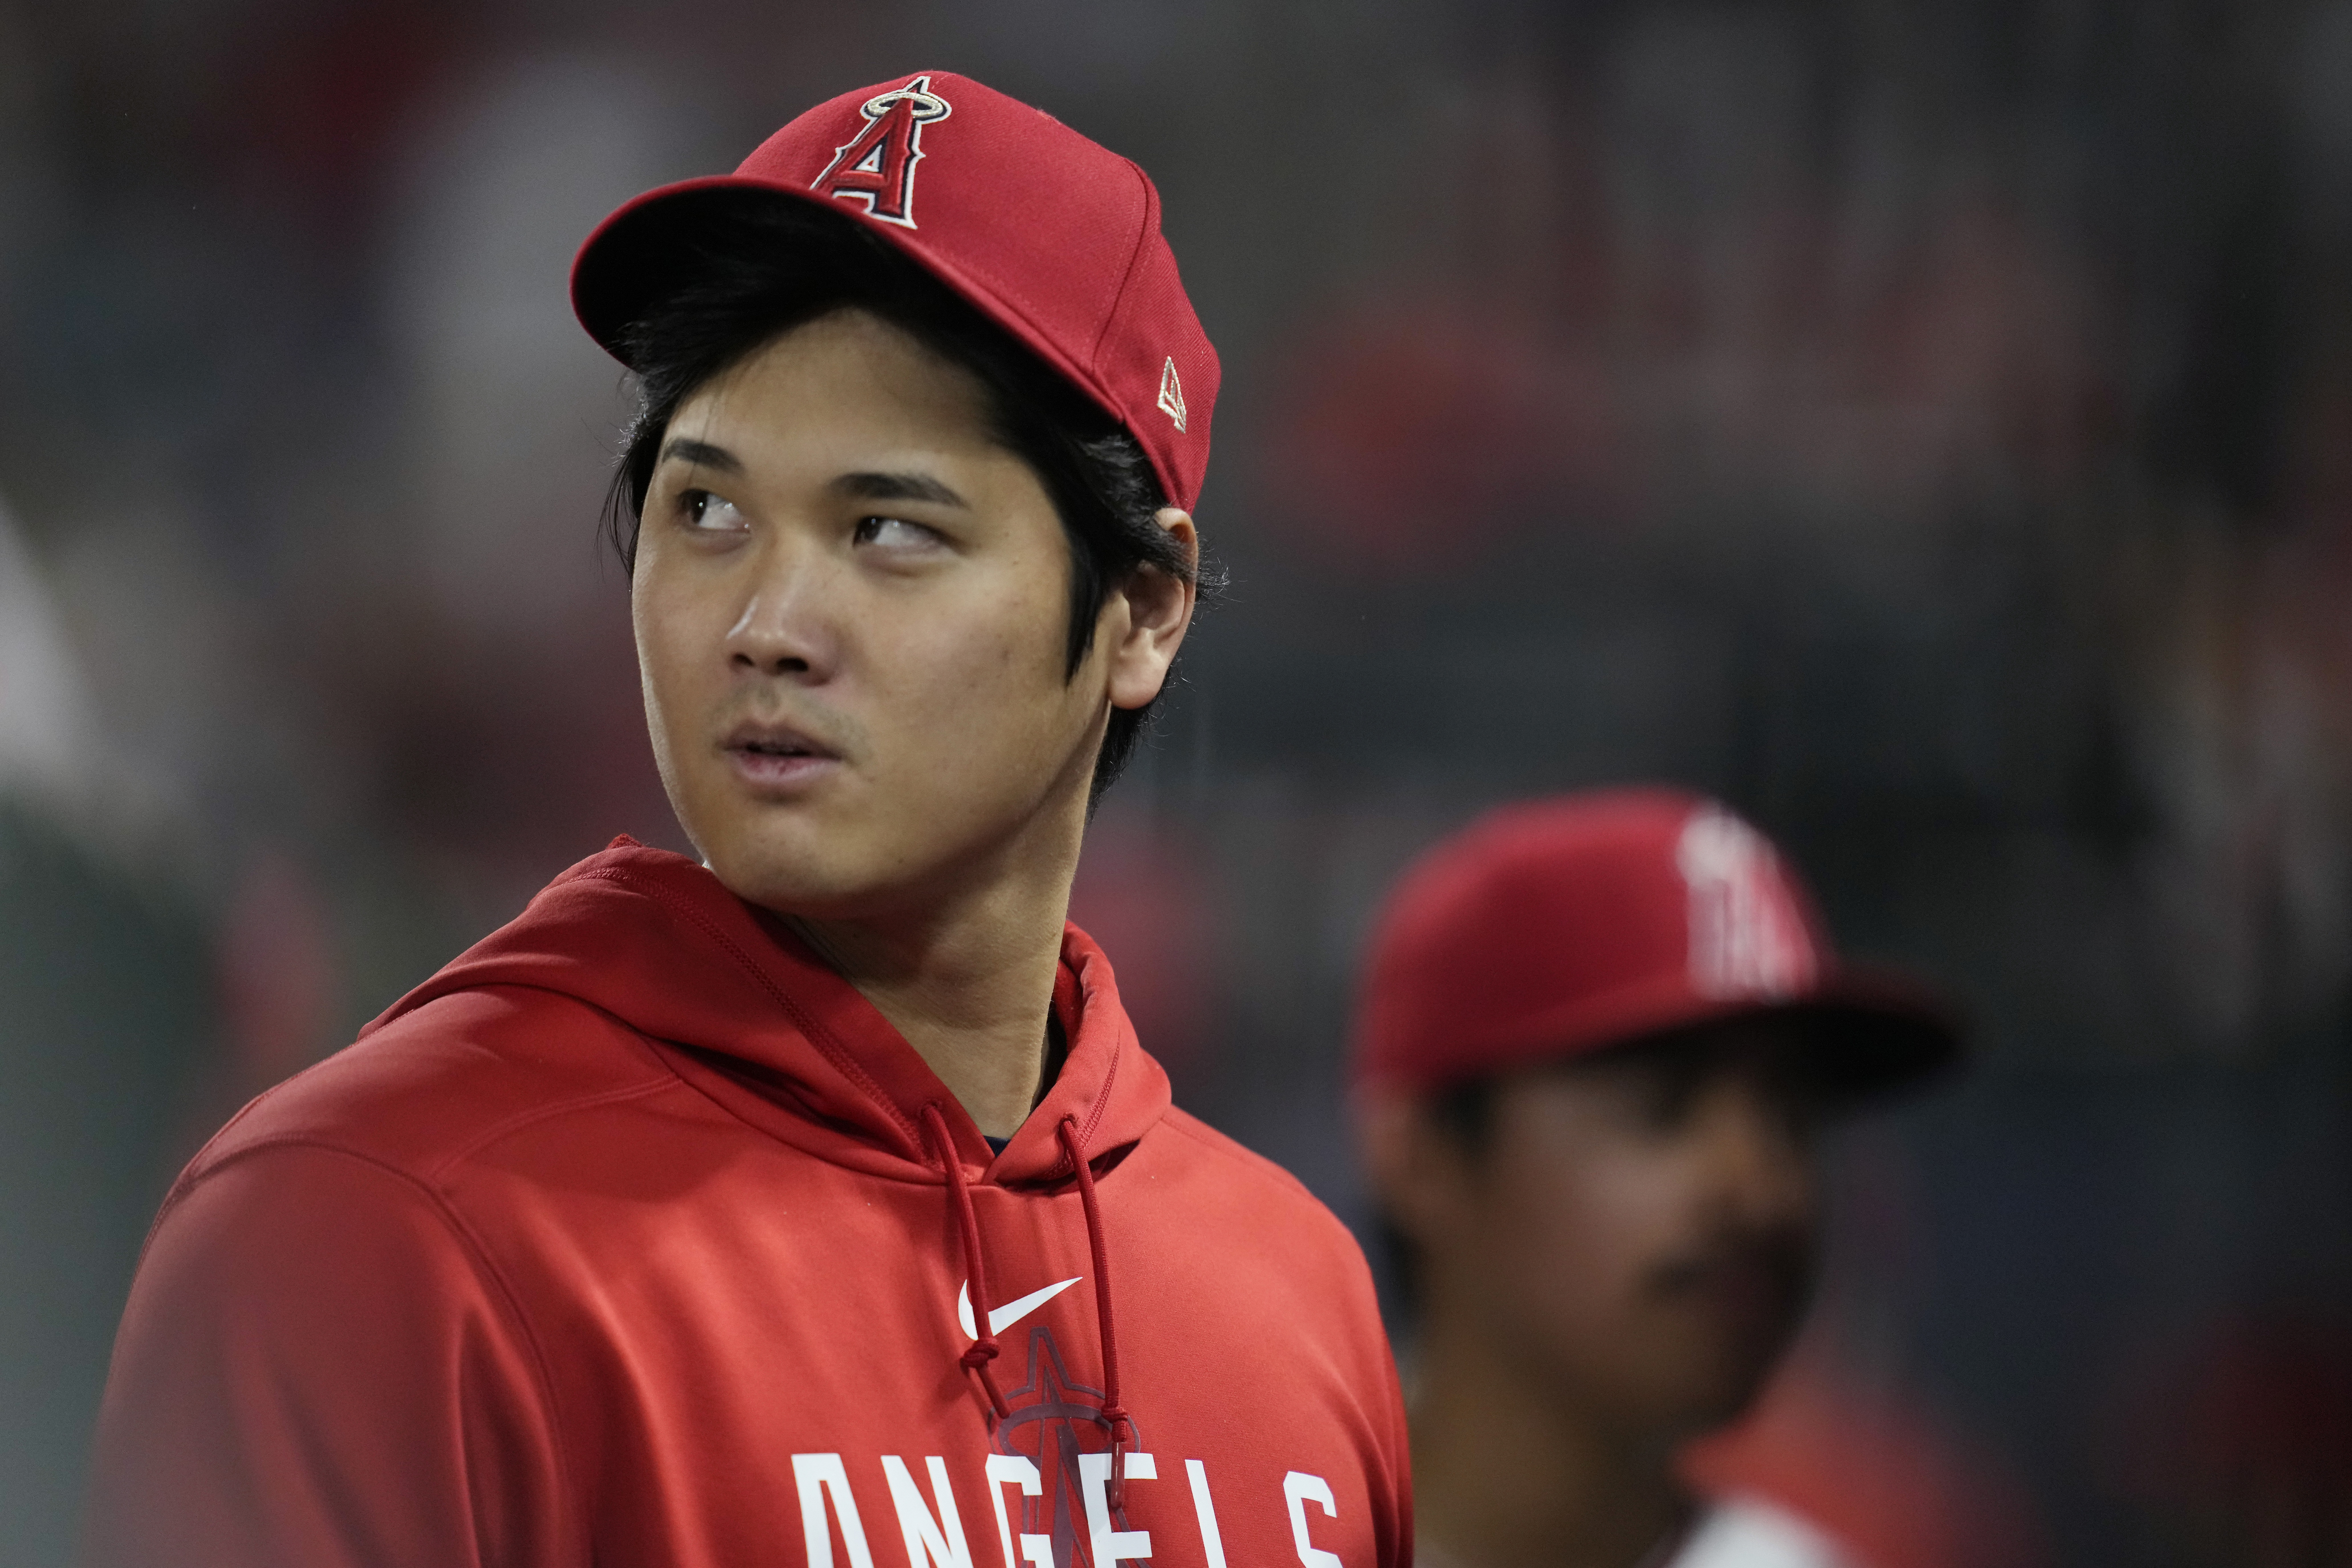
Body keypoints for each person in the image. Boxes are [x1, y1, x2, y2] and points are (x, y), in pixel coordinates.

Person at [82, 72, 1410, 1568]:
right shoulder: (372, 1230)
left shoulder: (1294, 1295)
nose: (766, 624)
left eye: (889, 531)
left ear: (1143, 610)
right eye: (705, 512)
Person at [1352, 788, 1959, 1568]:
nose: (1761, 1188)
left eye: (1792, 1116)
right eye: (1660, 1106)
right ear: (1422, 1157)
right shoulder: (1216, 1536)